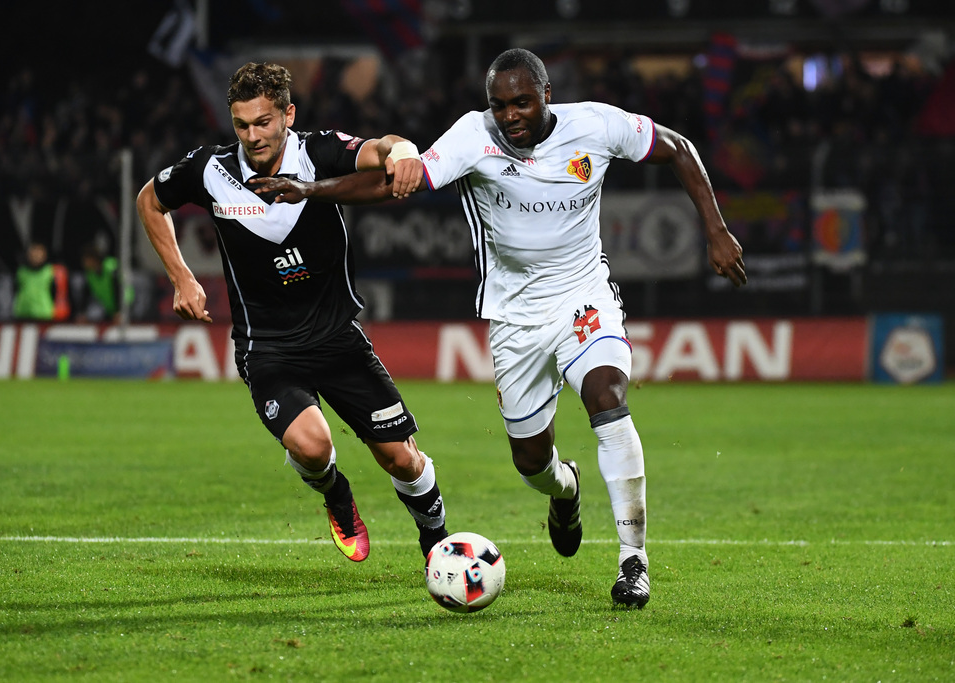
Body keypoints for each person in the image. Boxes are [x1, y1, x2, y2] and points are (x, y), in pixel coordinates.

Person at [251, 48, 747, 608]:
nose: (510, 115)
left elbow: (678, 148)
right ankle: (566, 490)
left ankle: (633, 561)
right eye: (499, 104)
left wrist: (716, 229)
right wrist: (311, 190)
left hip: (583, 296)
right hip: (514, 318)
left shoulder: (597, 126)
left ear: (546, 96)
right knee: (533, 463)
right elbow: (394, 184)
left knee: (608, 400)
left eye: (521, 102)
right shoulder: (472, 137)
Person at [135, 62, 448, 562]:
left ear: (288, 115)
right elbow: (150, 200)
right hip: (268, 347)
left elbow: (383, 148)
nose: (252, 136)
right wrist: (182, 277)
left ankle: (435, 537)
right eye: (242, 124)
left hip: (337, 339)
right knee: (312, 445)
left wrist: (406, 149)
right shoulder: (209, 170)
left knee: (401, 459)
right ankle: (336, 496)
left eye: (263, 122)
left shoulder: (319, 152)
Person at [13, 242, 70, 321]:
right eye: (33, 252)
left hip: (44, 314)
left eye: (39, 252)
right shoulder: (20, 272)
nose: (36, 255)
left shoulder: (52, 271)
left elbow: (59, 293)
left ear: (45, 254)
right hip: (22, 314)